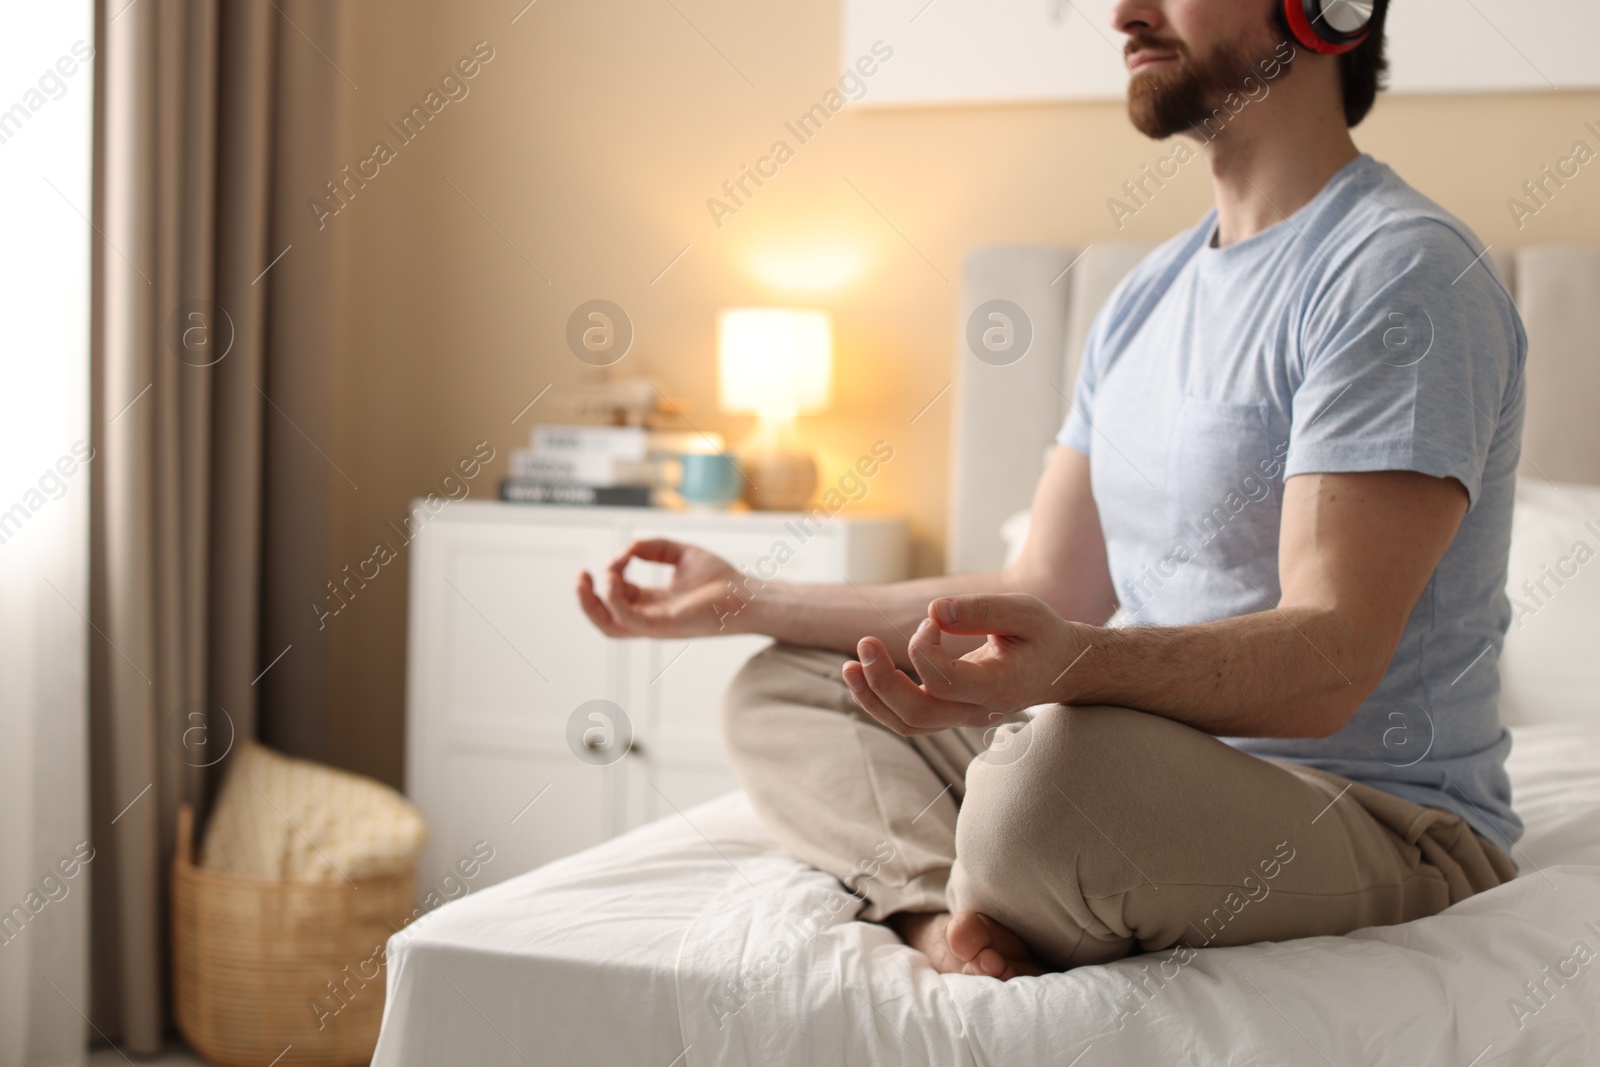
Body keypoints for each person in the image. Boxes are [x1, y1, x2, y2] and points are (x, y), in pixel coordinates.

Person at [576, 0, 1524, 980]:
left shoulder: (1399, 272)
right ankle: (949, 916)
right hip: (1140, 765)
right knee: (784, 688)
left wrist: (1074, 670)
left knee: (1047, 774)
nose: (1124, 11)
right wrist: (743, 600)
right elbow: (1049, 585)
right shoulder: (1142, 299)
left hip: (1372, 814)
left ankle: (995, 868)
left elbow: (1329, 657)